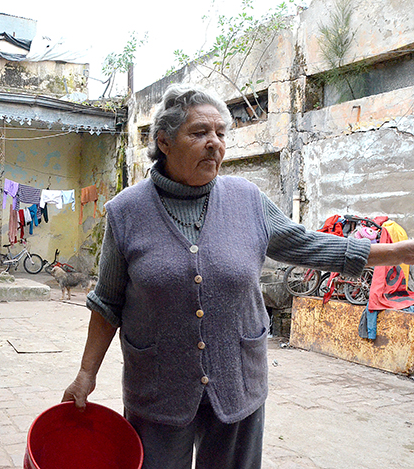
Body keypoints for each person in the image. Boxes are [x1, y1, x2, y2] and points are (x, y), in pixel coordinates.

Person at [62, 84, 414, 469]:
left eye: (220, 133)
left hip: (237, 381)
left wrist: (398, 252)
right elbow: (107, 302)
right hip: (159, 387)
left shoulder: (247, 200)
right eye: (199, 133)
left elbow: (309, 245)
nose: (214, 143)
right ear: (164, 141)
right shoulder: (126, 212)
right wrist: (85, 374)